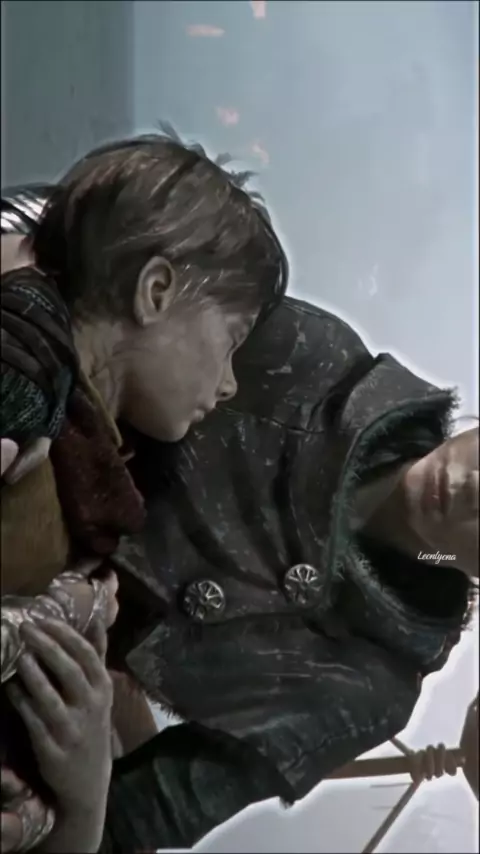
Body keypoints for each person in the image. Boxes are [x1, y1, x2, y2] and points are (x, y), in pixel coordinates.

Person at [2, 185, 478, 851]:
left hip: (35, 670)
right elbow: (89, 248)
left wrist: (83, 787)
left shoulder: (368, 687)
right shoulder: (313, 357)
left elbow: (129, 825)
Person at [1, 133, 288, 850]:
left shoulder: (84, 451)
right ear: (155, 292)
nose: (229, 384)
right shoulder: (22, 377)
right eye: (231, 340)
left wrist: (79, 797)